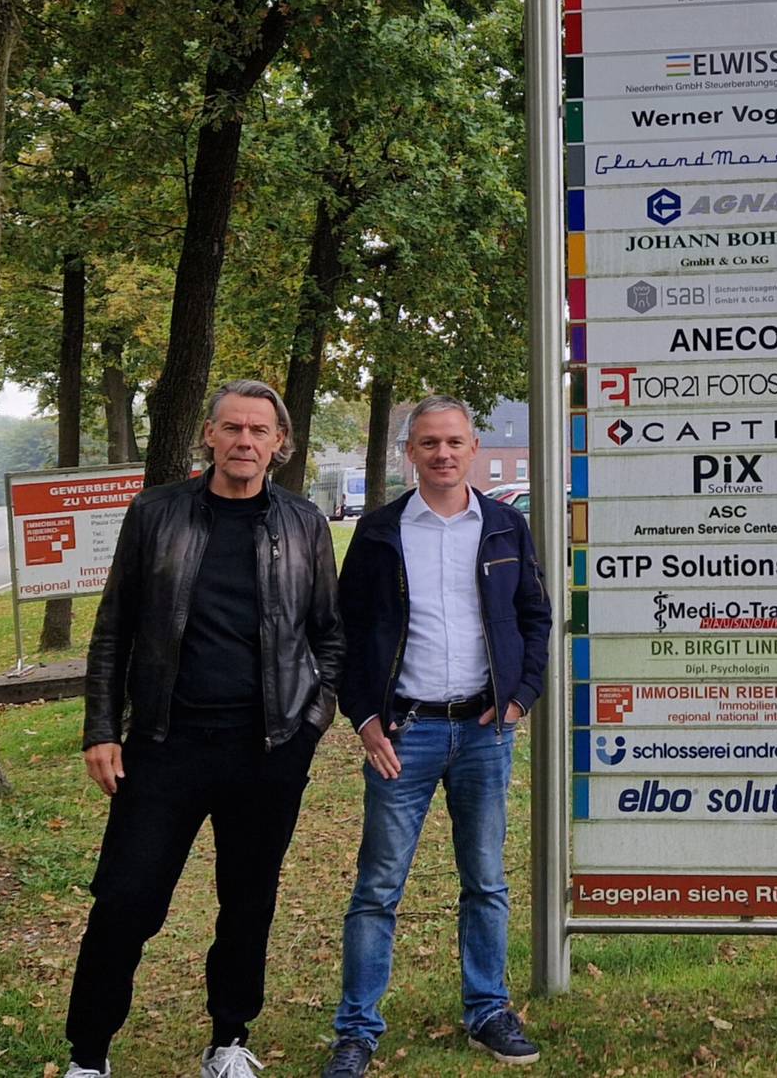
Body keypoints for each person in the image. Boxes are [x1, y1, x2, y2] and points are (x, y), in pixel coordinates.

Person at [63, 381, 343, 1078]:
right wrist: (102, 727)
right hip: (164, 745)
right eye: (233, 428)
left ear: (280, 443)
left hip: (268, 751)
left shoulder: (304, 523)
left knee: (247, 903)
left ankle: (227, 1040)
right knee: (127, 898)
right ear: (209, 436)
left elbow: (328, 636)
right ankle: (89, 1055)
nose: (245, 441)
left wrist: (310, 722)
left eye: (259, 430)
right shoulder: (156, 514)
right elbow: (113, 629)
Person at [323, 396, 552, 1074]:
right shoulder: (380, 531)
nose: (443, 453)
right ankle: (357, 1029)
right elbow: (345, 632)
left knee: (486, 879)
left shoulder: (507, 525)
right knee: (378, 887)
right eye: (428, 443)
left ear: (473, 447)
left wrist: (521, 699)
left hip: (485, 730)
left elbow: (535, 617)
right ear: (410, 453)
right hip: (405, 734)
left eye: (454, 441)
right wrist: (363, 719)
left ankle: (487, 1009)